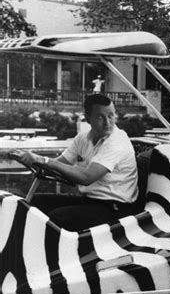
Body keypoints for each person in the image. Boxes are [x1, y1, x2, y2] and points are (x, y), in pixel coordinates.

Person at [12, 94, 138, 231]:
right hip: (90, 201)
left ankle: (44, 251)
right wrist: (32, 161)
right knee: (32, 203)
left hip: (116, 208)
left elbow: (86, 177)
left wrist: (44, 160)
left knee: (56, 219)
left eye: (111, 115)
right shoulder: (82, 139)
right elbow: (57, 164)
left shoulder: (117, 141)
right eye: (100, 117)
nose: (108, 122)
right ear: (88, 118)